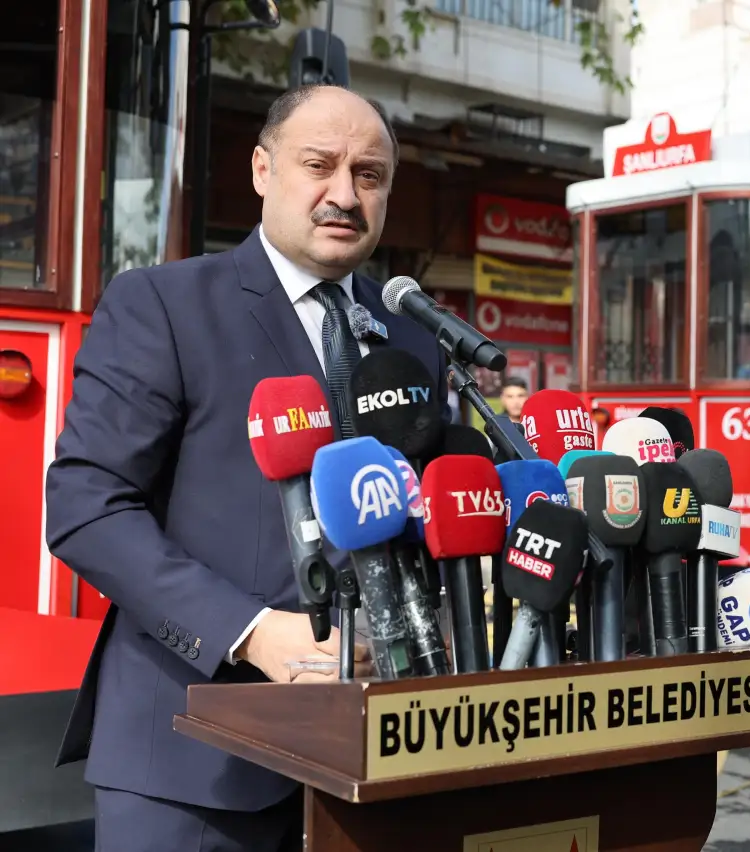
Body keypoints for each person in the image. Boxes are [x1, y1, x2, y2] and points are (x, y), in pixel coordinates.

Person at [44, 85, 451, 852]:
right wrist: (253, 633)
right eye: (318, 165)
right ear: (263, 170)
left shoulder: (412, 336)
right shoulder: (164, 304)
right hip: (194, 764)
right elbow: (85, 505)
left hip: (373, 768)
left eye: (368, 175)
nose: (344, 195)